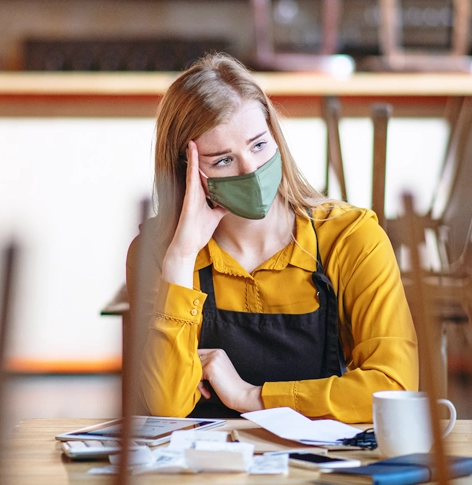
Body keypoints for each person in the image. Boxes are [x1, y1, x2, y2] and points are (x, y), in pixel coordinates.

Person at [126, 52, 417, 424]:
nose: (252, 170)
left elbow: (394, 386)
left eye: (259, 145)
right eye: (223, 160)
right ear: (189, 172)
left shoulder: (351, 237)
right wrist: (181, 258)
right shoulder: (156, 253)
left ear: (276, 137)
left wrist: (252, 396)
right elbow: (165, 405)